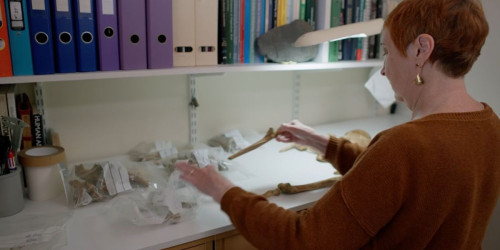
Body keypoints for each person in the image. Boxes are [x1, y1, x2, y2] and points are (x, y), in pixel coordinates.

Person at [176, 0, 500, 248]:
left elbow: (303, 241)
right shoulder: (489, 125)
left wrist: (223, 190)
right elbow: (407, 185)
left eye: (387, 51)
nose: (385, 70)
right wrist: (323, 143)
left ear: (421, 49)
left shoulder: (404, 144)